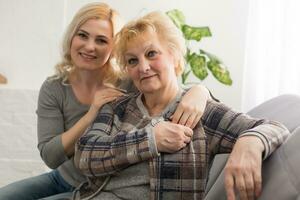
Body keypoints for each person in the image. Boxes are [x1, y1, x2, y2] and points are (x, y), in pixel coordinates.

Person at [0, 3, 210, 200]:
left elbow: (171, 89)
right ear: (72, 37)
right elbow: (50, 156)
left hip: (103, 184)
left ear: (114, 48)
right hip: (63, 177)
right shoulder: (54, 87)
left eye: (101, 40)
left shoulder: (129, 81)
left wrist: (201, 91)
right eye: (82, 35)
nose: (90, 47)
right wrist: (91, 114)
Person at [73, 11, 289, 200]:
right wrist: (151, 140)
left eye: (151, 54)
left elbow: (275, 127)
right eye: (132, 60)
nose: (143, 67)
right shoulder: (117, 107)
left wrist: (250, 141)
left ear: (174, 56)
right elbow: (84, 156)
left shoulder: (201, 113)